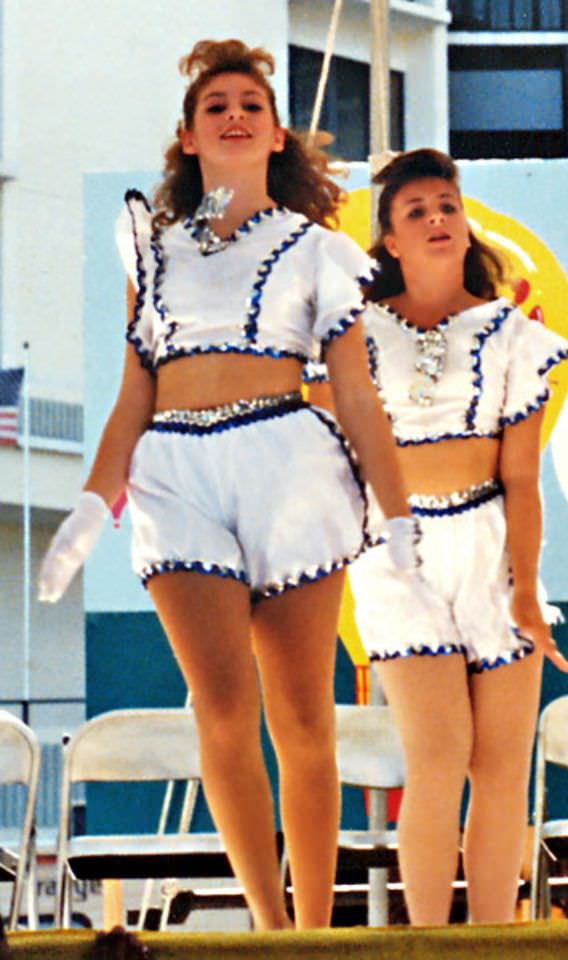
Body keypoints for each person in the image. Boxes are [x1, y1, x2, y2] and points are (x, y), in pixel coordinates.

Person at [38, 40, 421, 930]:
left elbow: (356, 393)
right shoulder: (155, 250)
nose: (235, 115)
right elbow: (136, 386)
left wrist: (395, 508)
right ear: (188, 137)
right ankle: (268, 925)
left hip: (289, 465)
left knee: (301, 713)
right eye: (216, 106)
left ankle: (316, 933)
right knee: (222, 707)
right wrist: (93, 507)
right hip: (176, 469)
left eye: (251, 102)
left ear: (278, 133)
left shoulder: (320, 250)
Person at [345, 149, 568, 924]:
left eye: (447, 205)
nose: (438, 219)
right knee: (439, 757)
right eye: (416, 212)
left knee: (502, 766)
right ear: (388, 241)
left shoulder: (515, 336)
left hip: (491, 545)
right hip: (396, 551)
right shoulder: (358, 335)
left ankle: (494, 938)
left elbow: (521, 480)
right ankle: (429, 943)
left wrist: (525, 588)